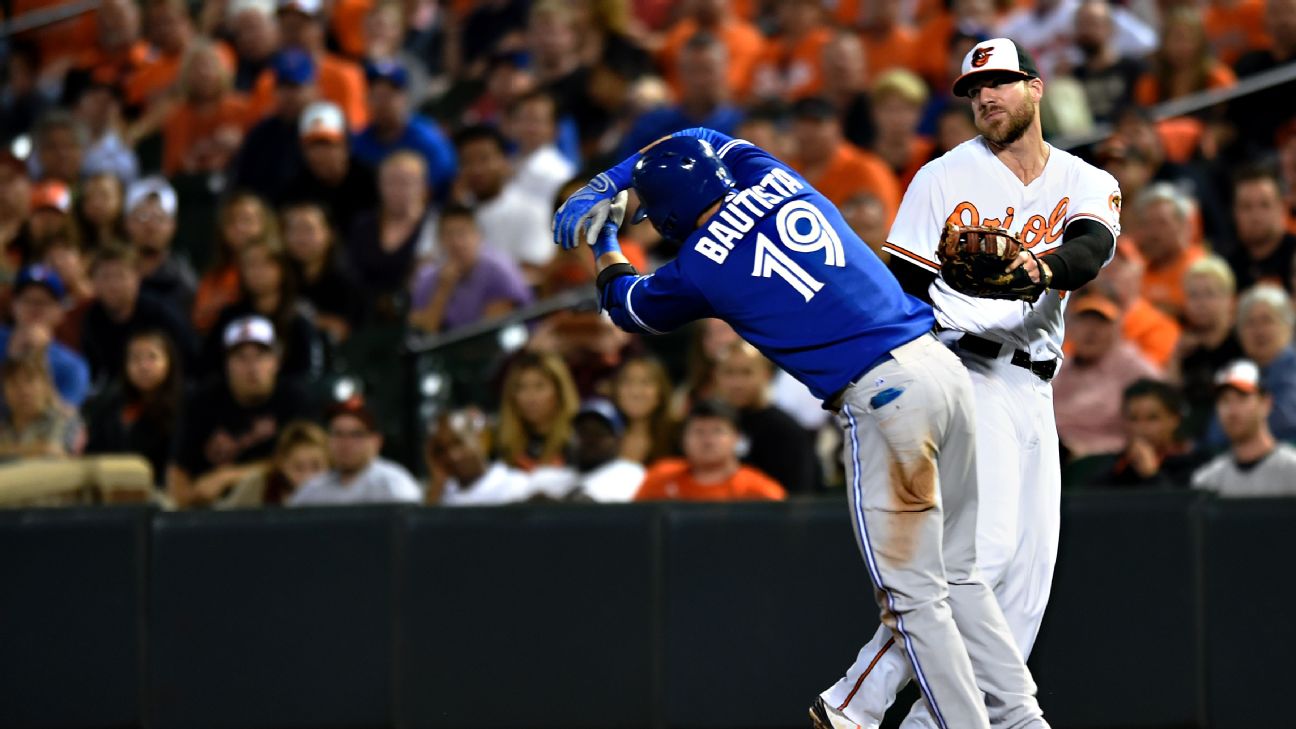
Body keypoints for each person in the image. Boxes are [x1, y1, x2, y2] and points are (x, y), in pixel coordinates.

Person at [553, 120, 1049, 727]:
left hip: (884, 397)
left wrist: (605, 241)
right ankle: (1023, 720)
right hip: (943, 370)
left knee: (914, 597)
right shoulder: (778, 178)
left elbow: (627, 307)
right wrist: (619, 175)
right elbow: (707, 132)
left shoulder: (698, 267)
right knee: (961, 576)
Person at [853, 37, 1124, 728]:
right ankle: (862, 695)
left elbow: (1090, 249)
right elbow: (902, 289)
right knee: (985, 554)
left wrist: (1035, 268)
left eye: (998, 83)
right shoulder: (941, 177)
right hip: (963, 370)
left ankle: (936, 721)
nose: (984, 98)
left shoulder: (1082, 178)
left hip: (1035, 388)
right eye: (974, 91)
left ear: (1035, 88)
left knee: (1028, 583)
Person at [169, 315, 312, 508]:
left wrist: (227, 476)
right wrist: (183, 507)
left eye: (260, 356)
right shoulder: (202, 401)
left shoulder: (294, 398)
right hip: (214, 510)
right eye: (241, 357)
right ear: (227, 364)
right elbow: (179, 467)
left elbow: (308, 462)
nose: (252, 367)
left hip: (278, 506)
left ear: (276, 362)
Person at [1053, 293, 1163, 459]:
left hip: (1108, 460)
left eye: (1101, 323)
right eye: (1083, 322)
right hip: (1057, 455)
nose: (1091, 331)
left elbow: (1164, 404)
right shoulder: (1059, 367)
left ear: (1117, 329)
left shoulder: (1132, 365)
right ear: (1069, 329)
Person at [82, 245, 199, 386]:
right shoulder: (93, 319)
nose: (113, 285)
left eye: (120, 275)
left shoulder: (162, 314)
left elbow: (190, 360)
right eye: (105, 277)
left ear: (137, 277)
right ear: (93, 282)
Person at [713, 340, 818, 494]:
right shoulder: (705, 425)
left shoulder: (787, 431)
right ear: (716, 376)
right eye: (729, 372)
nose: (737, 383)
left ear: (766, 375)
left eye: (746, 372)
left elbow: (800, 495)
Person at [407, 204, 533, 333]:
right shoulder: (427, 277)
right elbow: (422, 333)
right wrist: (442, 291)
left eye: (462, 233)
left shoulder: (499, 271)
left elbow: (491, 334)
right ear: (439, 241)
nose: (456, 242)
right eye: (448, 234)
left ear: (478, 236)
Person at [83, 329, 184, 487]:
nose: (143, 366)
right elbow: (93, 451)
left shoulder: (183, 405)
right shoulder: (110, 403)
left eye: (152, 357)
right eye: (135, 358)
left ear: (169, 361)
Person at [452, 124, 554, 276]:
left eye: (484, 159)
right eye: (467, 161)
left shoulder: (531, 210)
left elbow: (536, 269)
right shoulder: (454, 214)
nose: (476, 169)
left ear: (504, 162)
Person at [634, 400, 785, 502]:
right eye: (698, 431)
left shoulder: (760, 491)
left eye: (717, 431)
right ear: (683, 438)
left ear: (737, 438)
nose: (707, 440)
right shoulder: (660, 477)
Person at [1068, 379, 1205, 489]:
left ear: (1175, 419)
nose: (1141, 428)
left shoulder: (1194, 464)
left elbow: (1180, 512)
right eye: (1133, 419)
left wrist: (1151, 474)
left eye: (1152, 418)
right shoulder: (1116, 466)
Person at [351, 60, 457, 197]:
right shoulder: (359, 141)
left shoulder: (428, 137)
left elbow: (445, 180)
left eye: (389, 95)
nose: (383, 103)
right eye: (377, 95)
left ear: (404, 97)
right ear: (367, 99)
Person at [346, 150, 431, 319]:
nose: (397, 190)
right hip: (365, 317)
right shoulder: (363, 225)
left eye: (405, 182)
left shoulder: (434, 226)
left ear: (423, 187)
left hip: (415, 317)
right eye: (390, 182)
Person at [289, 397, 422, 505]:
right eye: (338, 433)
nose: (346, 443)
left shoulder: (393, 484)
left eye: (356, 434)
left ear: (376, 442)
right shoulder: (314, 489)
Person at [1192, 360, 1296, 496]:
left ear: (1265, 404)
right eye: (1224, 400)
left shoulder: (1291, 470)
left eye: (1242, 397)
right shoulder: (1207, 481)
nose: (1232, 410)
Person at [1171, 255, 1245, 438]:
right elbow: (1170, 399)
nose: (1201, 303)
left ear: (1230, 300)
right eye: (1193, 295)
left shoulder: (1243, 342)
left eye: (1209, 294)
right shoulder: (1186, 349)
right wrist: (1175, 358)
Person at [280, 100, 378, 236]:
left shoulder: (369, 182)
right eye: (312, 145)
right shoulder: (296, 190)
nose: (319, 154)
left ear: (346, 145)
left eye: (328, 144)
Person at [0, 265, 90, 408]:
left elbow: (65, 420)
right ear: (14, 305)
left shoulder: (72, 366)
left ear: (59, 311)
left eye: (44, 302)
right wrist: (12, 358)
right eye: (27, 300)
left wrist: (40, 360)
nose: (34, 309)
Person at [280, 200, 368, 343]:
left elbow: (346, 330)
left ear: (330, 234)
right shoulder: (278, 276)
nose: (301, 238)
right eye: (294, 229)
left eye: (308, 230)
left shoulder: (348, 280)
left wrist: (306, 320)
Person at [192, 192, 278, 334]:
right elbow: (201, 320)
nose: (239, 227)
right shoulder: (215, 277)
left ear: (264, 223)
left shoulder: (282, 267)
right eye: (231, 221)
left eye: (247, 220)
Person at [529, 399, 647, 502]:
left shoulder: (630, 473)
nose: (590, 440)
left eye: (598, 433)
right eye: (583, 432)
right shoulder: (547, 477)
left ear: (618, 440)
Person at [426, 408, 534, 506]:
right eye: (442, 450)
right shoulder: (441, 494)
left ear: (482, 439)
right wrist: (437, 484)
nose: (452, 456)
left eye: (458, 443)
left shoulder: (516, 486)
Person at [1231, 284, 1296, 442]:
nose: (1259, 331)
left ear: (1289, 327)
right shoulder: (1238, 372)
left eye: (1267, 320)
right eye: (1250, 323)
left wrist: (1237, 426)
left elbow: (1284, 419)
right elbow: (1215, 433)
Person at [124, 176, 198, 316]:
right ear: (127, 222)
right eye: (142, 217)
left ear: (173, 226)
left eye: (160, 218)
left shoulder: (183, 278)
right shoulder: (112, 269)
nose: (151, 226)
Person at [494, 351, 579, 471]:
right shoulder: (504, 447)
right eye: (521, 387)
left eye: (539, 386)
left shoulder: (577, 441)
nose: (530, 398)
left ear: (560, 392)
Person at [1131, 183, 1206, 319]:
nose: (1153, 233)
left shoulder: (1198, 267)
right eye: (1147, 224)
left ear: (1183, 225)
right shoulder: (1134, 266)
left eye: (1162, 223)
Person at [219, 420, 330, 507]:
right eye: (298, 467)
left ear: (329, 463)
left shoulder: (339, 489)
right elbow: (224, 517)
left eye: (316, 467)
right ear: (282, 464)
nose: (308, 476)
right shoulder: (258, 485)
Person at [0, 356, 84, 461]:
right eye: (14, 383)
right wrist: (36, 449)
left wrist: (5, 450)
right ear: (4, 392)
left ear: (46, 386)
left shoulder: (66, 420)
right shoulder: (2, 425)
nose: (23, 390)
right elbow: (45, 450)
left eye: (30, 381)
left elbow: (54, 454)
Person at [1228, 167, 1296, 293]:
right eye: (1246, 207)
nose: (1256, 216)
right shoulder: (1226, 265)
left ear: (1281, 208)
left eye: (1265, 205)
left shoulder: (1293, 255)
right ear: (1234, 213)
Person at [609, 355, 678, 464]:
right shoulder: (604, 438)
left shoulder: (677, 437)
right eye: (628, 382)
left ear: (660, 394)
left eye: (645, 383)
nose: (635, 392)